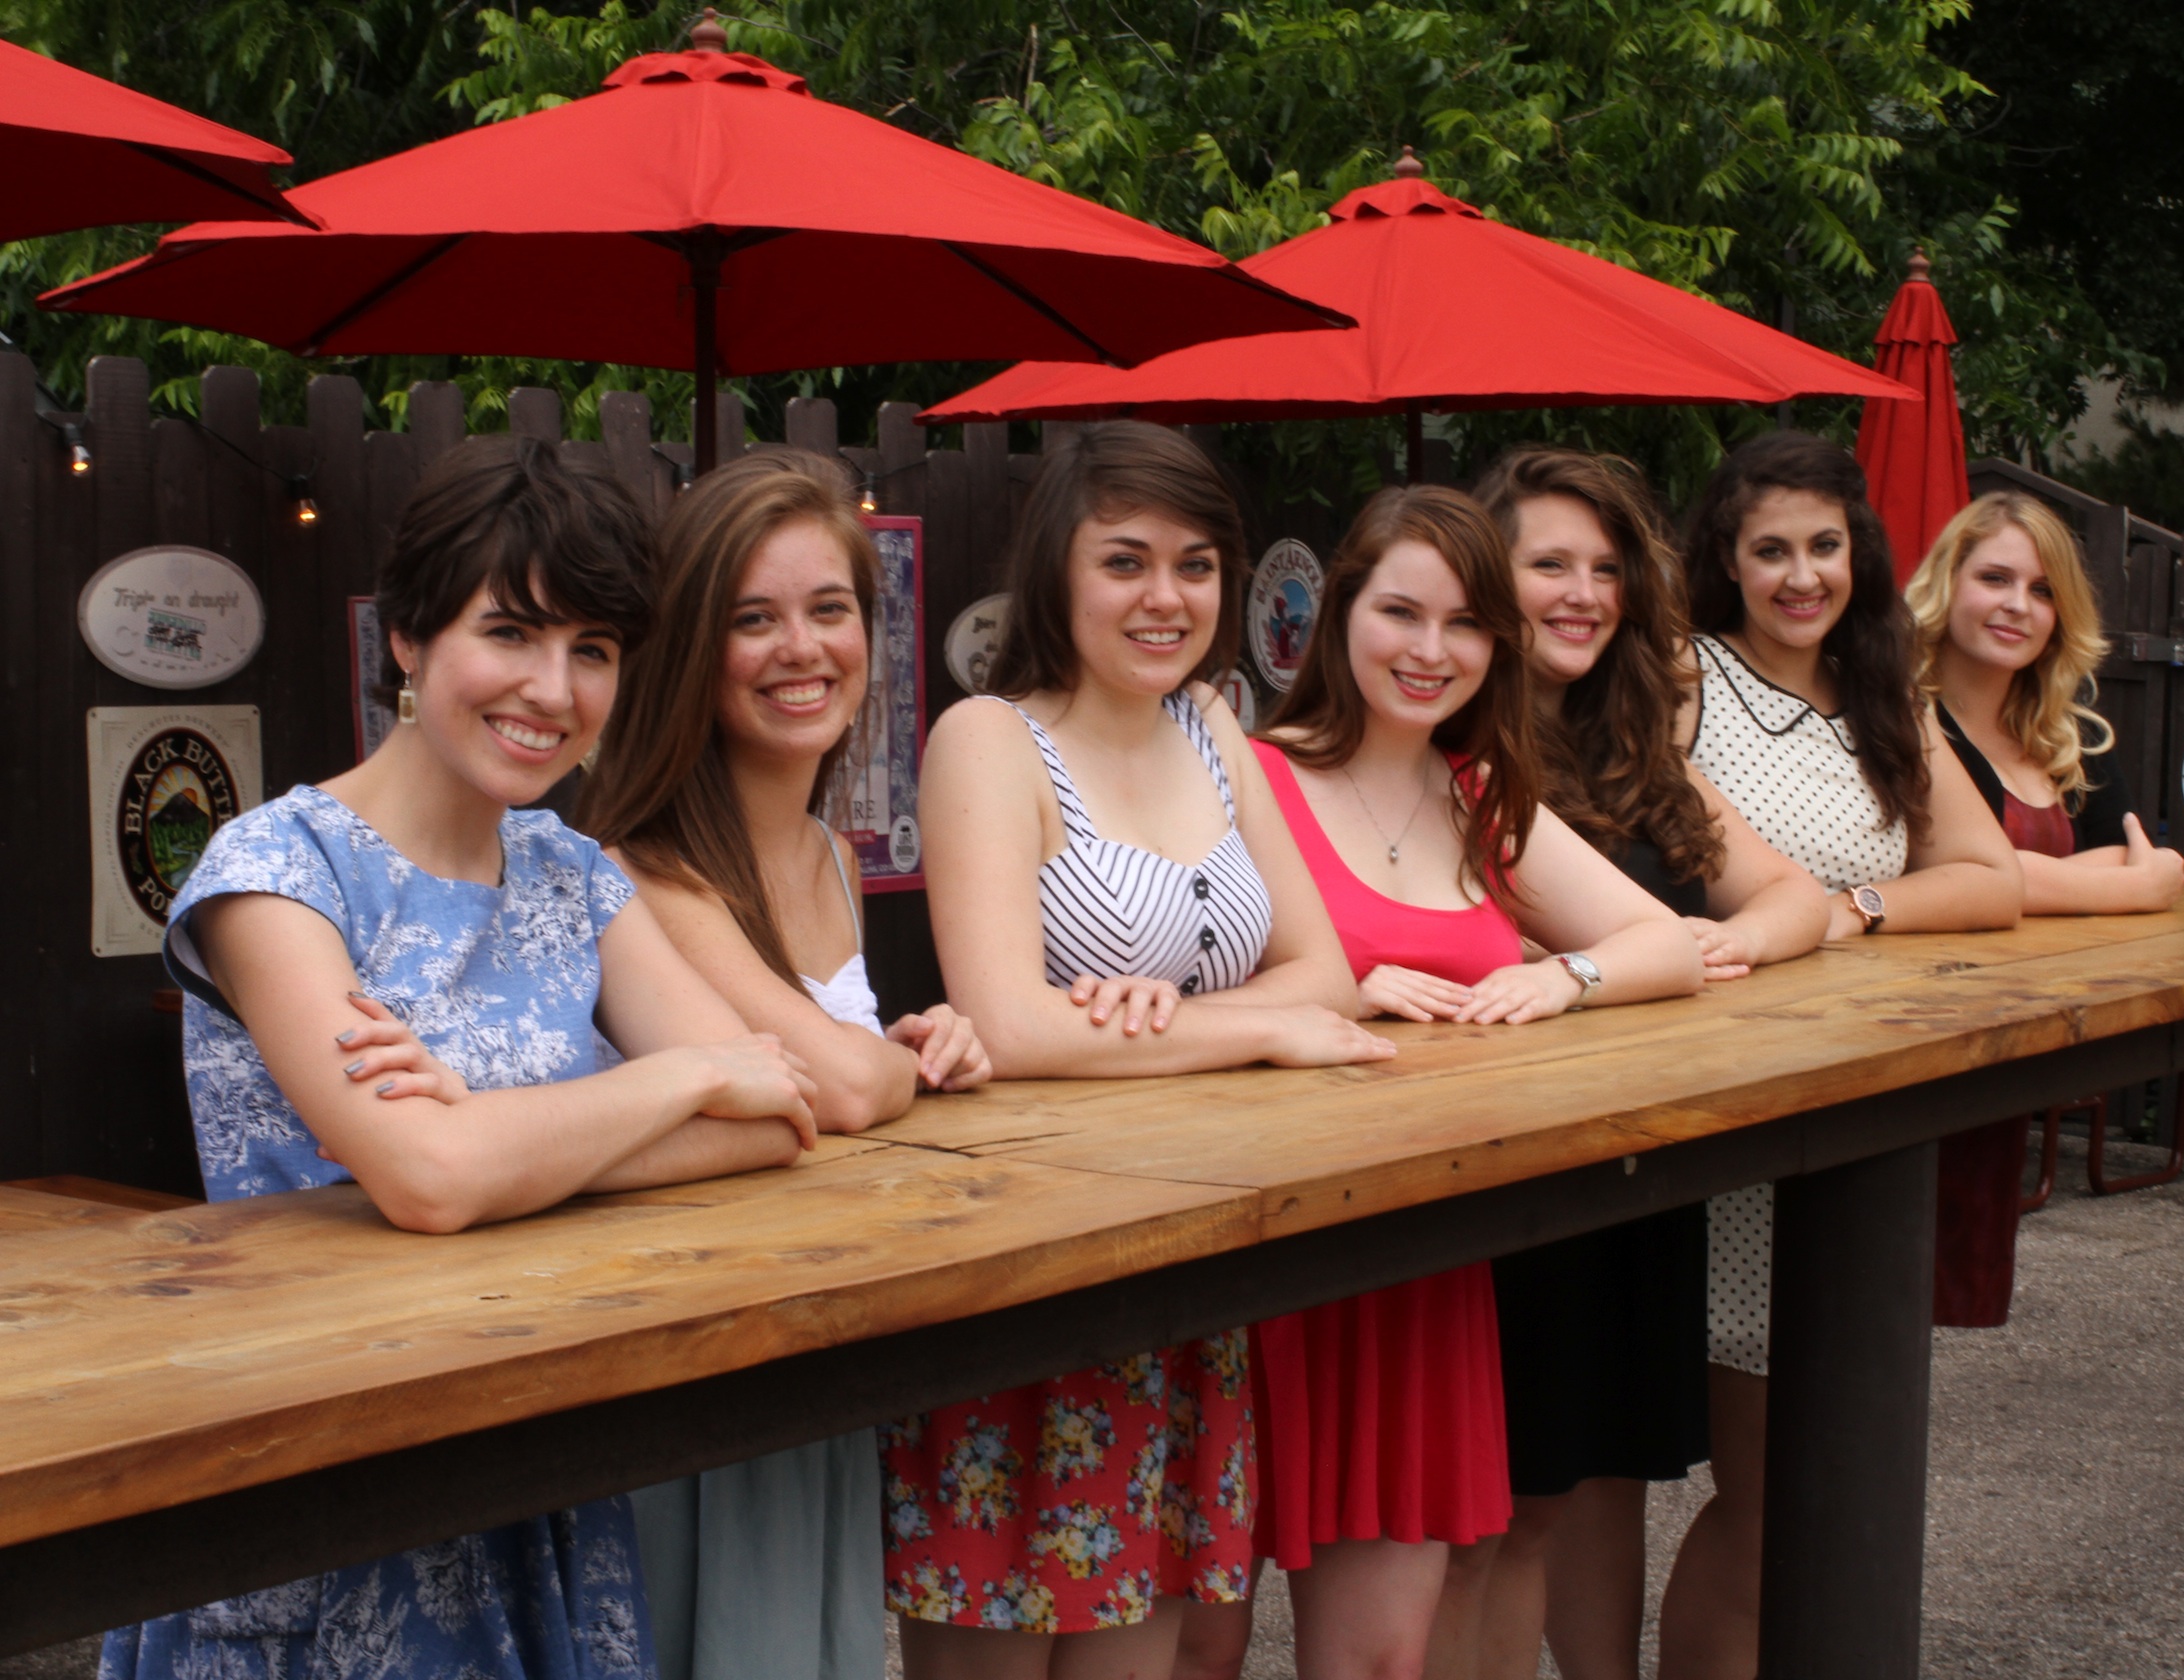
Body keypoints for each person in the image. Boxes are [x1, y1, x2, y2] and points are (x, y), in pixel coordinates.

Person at [102, 438, 821, 1680]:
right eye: (511, 633)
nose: (553, 688)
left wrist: (499, 1144)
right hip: (314, 1473)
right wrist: (674, 1080)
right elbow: (430, 1183)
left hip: (534, 1450)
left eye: (592, 651)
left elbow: (777, 1118)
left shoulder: (570, 871)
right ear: (409, 640)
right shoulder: (276, 876)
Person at [887, 421, 1394, 1680]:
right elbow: (1007, 1023)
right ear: (1057, 570)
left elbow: (1325, 975)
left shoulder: (1215, 728)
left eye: (1196, 563)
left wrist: (1194, 1026)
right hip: (1026, 1265)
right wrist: (1258, 1030)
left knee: (1149, 1660)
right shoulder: (991, 740)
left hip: (1191, 1265)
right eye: (1126, 561)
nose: (1166, 597)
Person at [1212, 482, 1713, 1680]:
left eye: (1467, 625)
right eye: (1401, 612)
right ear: (1337, 615)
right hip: (1259, 1240)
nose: (1431, 651)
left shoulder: (1477, 792)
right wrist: (1330, 991)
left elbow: (1668, 942)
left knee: (1380, 1662)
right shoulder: (1245, 773)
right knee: (1195, 1654)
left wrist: (1561, 978)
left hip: (1420, 1262)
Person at [575, 447, 992, 1680]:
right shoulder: (644, 866)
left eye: (830, 610)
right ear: (691, 648)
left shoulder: (826, 854)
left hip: (813, 1333)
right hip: (685, 1369)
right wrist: (890, 1063)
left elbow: (846, 1067)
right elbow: (846, 1090)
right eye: (751, 618)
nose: (800, 648)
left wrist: (924, 1035)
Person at [1660, 431, 2023, 1680]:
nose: (1801, 575)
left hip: (1867, 1114)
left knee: (1835, 1475)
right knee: (1766, 1489)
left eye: (1823, 546)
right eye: (1771, 550)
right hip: (1736, 1120)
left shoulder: (1884, 697)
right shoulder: (1680, 680)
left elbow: (1989, 878)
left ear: (1858, 556)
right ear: (1727, 559)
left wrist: (1860, 911)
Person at [1464, 448, 1830, 1680]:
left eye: (1607, 568)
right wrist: (1653, 952)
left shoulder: (1637, 753)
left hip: (1638, 1163)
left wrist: (1719, 941)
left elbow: (1796, 899)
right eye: (1549, 564)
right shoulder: (1460, 748)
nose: (1583, 592)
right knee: (1509, 1512)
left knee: (1592, 1481)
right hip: (1507, 1168)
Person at [1906, 491, 2184, 1327]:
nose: (2017, 605)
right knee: (1875, 1306)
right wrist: (2126, 888)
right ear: (1946, 584)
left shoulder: (2061, 731)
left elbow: (2117, 845)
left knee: (1948, 1301)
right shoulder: (1902, 718)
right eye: (1994, 577)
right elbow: (1934, 867)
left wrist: (2026, 879)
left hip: (2006, 1035)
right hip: (1910, 1034)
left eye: (2041, 589)